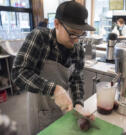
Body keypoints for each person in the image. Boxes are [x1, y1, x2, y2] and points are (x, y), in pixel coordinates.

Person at [11, 1, 95, 135]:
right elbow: (18, 73)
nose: (77, 40)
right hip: (40, 109)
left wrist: (78, 104)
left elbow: (76, 80)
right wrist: (53, 89)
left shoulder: (78, 50)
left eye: (81, 35)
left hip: (64, 108)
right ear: (56, 24)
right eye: (72, 34)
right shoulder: (40, 38)